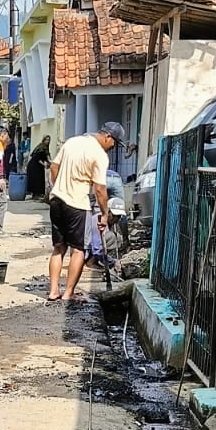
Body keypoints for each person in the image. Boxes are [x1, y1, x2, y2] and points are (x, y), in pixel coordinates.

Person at [45, 123, 126, 303]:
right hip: (77, 205)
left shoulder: (72, 142)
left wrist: (57, 187)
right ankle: (68, 293)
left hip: (57, 201)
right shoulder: (99, 155)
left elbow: (53, 168)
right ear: (108, 137)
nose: (113, 147)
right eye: (114, 143)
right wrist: (104, 214)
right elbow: (99, 189)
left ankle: (53, 292)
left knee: (58, 248)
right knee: (79, 250)